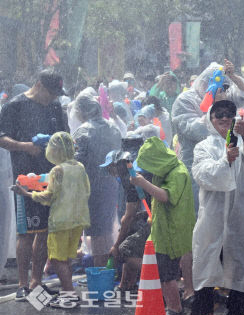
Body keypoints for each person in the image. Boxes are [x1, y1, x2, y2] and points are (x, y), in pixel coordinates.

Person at [184, 100, 244, 315]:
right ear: (210, 118)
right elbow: (202, 175)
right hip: (213, 217)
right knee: (205, 266)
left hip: (241, 217)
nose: (224, 119)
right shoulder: (204, 147)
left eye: (229, 114)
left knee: (242, 268)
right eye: (218, 115)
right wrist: (225, 161)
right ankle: (201, 310)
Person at [0, 70, 69, 301]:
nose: (53, 97)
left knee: (45, 231)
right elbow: (1, 137)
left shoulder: (55, 107)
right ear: (38, 85)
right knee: (26, 231)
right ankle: (22, 284)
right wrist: (25, 146)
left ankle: (36, 281)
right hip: (25, 178)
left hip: (51, 175)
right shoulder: (14, 106)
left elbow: (64, 135)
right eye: (51, 92)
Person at [11, 132, 89, 308]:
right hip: (78, 220)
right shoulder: (79, 167)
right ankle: (67, 292)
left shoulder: (57, 170)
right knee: (66, 258)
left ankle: (69, 295)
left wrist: (27, 194)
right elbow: (86, 190)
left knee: (55, 258)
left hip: (61, 221)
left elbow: (49, 196)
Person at [171, 60, 244, 210]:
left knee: (229, 213)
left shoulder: (225, 96)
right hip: (197, 163)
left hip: (228, 160)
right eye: (213, 83)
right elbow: (194, 130)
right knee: (200, 212)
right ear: (203, 81)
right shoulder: (185, 100)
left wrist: (234, 77)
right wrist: (215, 108)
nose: (219, 89)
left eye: (224, 86)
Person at [131, 136, 196, 315]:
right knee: (165, 271)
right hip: (163, 230)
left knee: (168, 275)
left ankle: (175, 310)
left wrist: (143, 183)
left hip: (172, 233)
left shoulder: (178, 173)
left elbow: (165, 196)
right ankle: (174, 304)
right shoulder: (165, 169)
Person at [71, 88, 122, 267]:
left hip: (90, 188)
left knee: (97, 231)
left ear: (83, 111)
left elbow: (75, 161)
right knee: (106, 228)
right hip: (110, 185)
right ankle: (107, 267)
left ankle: (100, 269)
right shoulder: (113, 128)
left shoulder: (82, 132)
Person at [102, 148, 149, 294]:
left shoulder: (130, 178)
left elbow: (128, 216)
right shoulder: (133, 173)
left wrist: (115, 246)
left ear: (118, 165)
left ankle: (160, 277)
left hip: (158, 221)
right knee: (129, 243)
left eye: (110, 167)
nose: (109, 171)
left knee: (123, 251)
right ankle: (126, 285)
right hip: (153, 217)